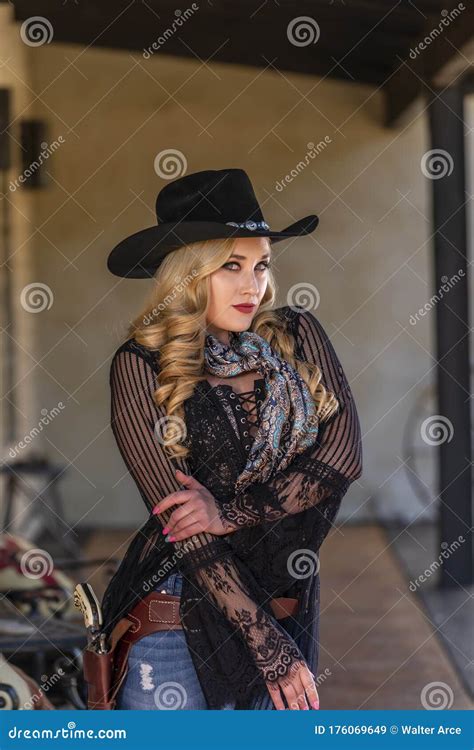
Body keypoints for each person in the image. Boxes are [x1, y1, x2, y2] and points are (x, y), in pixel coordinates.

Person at [101, 168, 363, 710]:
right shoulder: (141, 363)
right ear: (188, 275)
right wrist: (263, 640)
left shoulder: (294, 335)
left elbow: (344, 456)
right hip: (176, 613)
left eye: (262, 265)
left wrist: (229, 513)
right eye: (231, 266)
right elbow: (181, 523)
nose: (253, 286)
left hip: (283, 596)